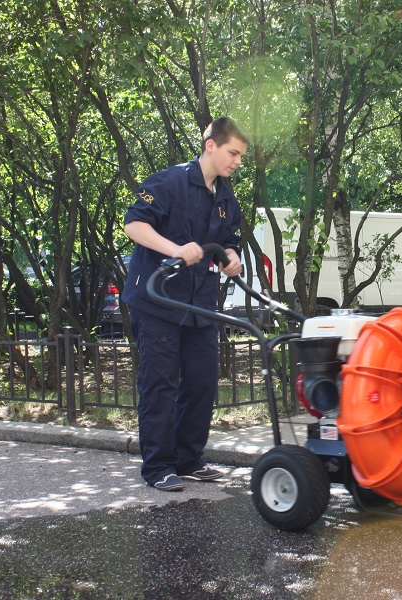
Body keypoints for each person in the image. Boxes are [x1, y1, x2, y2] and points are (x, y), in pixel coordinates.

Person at [122, 117, 249, 491]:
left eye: (240, 156)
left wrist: (230, 255)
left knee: (202, 381)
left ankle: (188, 459)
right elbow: (134, 225)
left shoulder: (225, 198)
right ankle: (158, 466)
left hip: (200, 307)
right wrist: (176, 250)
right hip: (158, 301)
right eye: (233, 153)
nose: (237, 162)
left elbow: (229, 239)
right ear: (210, 145)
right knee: (160, 385)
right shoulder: (170, 182)